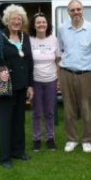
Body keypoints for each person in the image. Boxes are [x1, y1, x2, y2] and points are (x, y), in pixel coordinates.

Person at [0, 4, 34, 169]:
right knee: (5, 122)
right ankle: (5, 157)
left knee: (19, 121)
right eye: (13, 19)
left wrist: (30, 85)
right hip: (4, 87)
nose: (16, 21)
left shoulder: (25, 36)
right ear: (7, 20)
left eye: (19, 19)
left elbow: (29, 62)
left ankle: (18, 151)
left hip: (21, 87)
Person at [57, 0, 91, 153]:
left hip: (85, 75)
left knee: (86, 108)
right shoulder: (62, 29)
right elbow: (62, 49)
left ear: (83, 10)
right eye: (72, 10)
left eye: (78, 9)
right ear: (68, 12)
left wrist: (85, 63)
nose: (76, 12)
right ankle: (71, 139)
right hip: (66, 73)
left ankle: (86, 139)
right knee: (69, 108)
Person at [28, 12, 61, 152]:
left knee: (49, 112)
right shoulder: (28, 40)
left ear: (47, 25)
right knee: (36, 112)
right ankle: (36, 139)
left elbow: (58, 60)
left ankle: (50, 138)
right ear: (34, 25)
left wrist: (58, 79)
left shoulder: (54, 40)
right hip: (35, 81)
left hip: (51, 80)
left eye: (44, 22)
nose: (41, 24)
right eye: (38, 22)